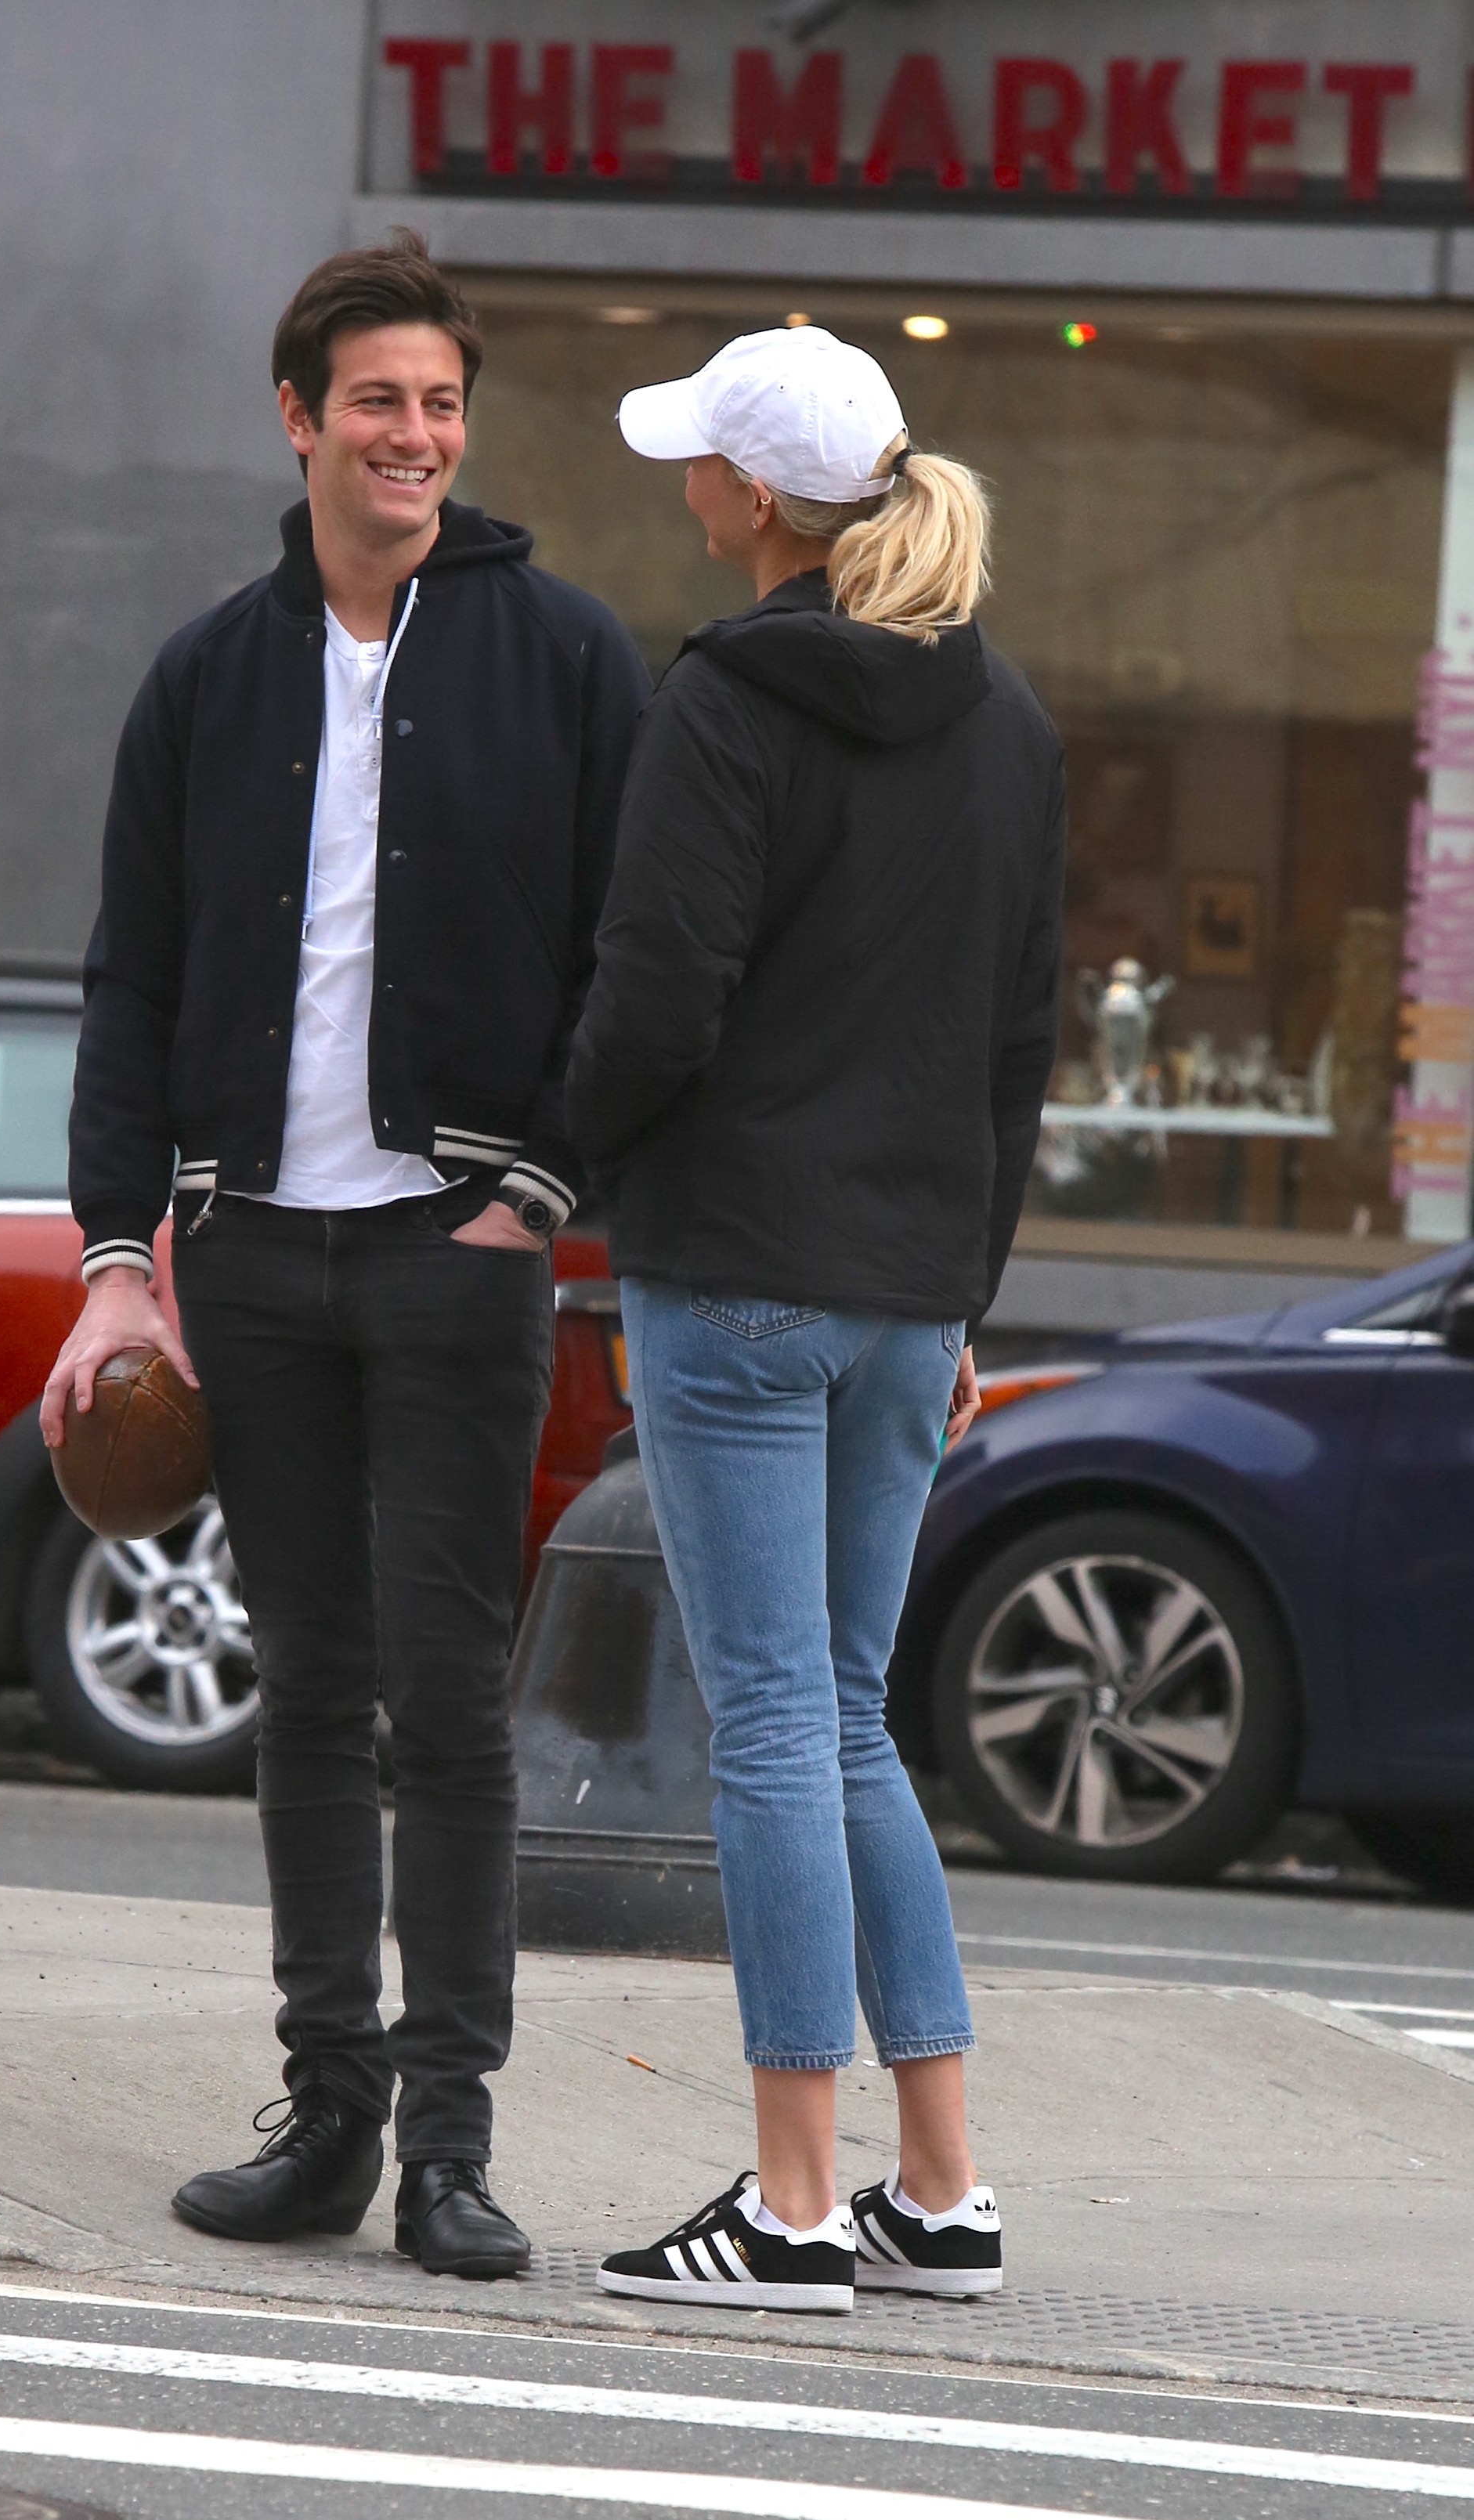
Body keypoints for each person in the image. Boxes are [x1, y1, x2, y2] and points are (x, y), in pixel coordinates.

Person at [42, 232, 651, 2280]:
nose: (414, 435)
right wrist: (116, 1257)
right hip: (252, 1256)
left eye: (440, 403)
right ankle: (325, 2116)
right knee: (303, 1688)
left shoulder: (567, 661)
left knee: (446, 1706)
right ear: (297, 419)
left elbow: (637, 963)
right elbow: (129, 986)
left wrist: (535, 1188)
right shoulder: (207, 678)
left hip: (456, 1251)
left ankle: (449, 2147)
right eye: (378, 400)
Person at [567, 326, 1064, 2313]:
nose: (685, 480)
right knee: (845, 1718)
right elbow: (1018, 1044)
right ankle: (937, 2187)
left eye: (701, 456)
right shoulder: (1005, 718)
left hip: (739, 1271)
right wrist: (961, 1284)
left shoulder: (724, 698)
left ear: (757, 499)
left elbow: (655, 996)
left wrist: (562, 1162)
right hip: (906, 1293)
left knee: (775, 1720)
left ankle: (787, 2207)